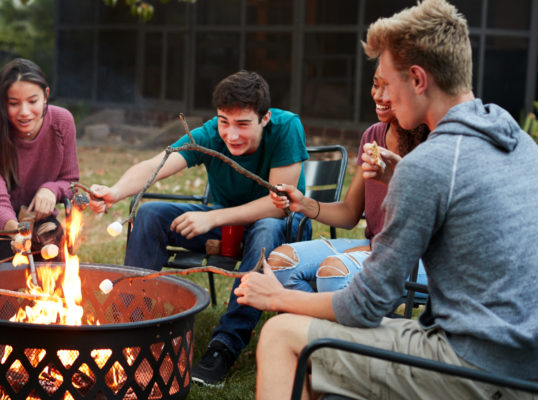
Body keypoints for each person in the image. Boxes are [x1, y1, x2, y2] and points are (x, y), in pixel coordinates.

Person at [235, 1, 538, 399]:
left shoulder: (430, 163)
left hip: (476, 368)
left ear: (417, 79)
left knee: (279, 335)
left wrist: (277, 296)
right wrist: (403, 178)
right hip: (524, 362)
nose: (384, 98)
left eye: (387, 83)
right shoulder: (518, 142)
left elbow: (365, 305)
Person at [89, 70, 310, 386]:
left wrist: (212, 218)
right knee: (152, 214)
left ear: (265, 118)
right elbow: (156, 164)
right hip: (225, 224)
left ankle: (225, 346)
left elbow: (279, 204)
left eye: (242, 124)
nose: (231, 134)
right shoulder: (208, 134)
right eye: (224, 121)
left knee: (265, 231)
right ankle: (131, 325)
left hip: (283, 227)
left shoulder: (287, 127)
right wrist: (114, 191)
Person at [267, 64, 430, 293]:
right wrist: (303, 203)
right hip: (374, 246)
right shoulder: (373, 136)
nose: (377, 95)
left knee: (334, 272)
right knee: (281, 263)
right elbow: (349, 212)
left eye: (389, 87)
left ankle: (333, 325)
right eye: (375, 84)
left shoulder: (433, 143)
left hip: (420, 259)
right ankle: (320, 326)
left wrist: (373, 252)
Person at [0, 58, 79, 263]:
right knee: (7, 265)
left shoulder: (62, 122)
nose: (24, 112)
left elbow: (71, 181)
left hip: (40, 217)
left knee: (53, 242)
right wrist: (19, 232)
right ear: (2, 103)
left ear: (46, 96)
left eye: (32, 101)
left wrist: (51, 188)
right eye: (14, 103)